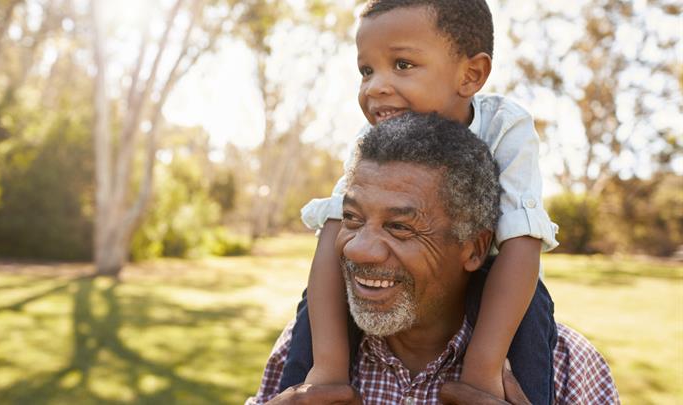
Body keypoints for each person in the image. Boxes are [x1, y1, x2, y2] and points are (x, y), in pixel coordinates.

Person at [281, 1, 560, 403]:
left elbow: (521, 239)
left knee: (531, 303)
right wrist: (326, 366)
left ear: (471, 74)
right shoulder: (369, 141)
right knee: (317, 298)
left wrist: (482, 374)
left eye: (403, 65)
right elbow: (334, 230)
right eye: (366, 70)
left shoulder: (504, 125)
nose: (374, 86)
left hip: (495, 278)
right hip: (397, 290)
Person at [248, 113, 619, 405]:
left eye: (399, 227)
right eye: (351, 218)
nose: (357, 249)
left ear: (474, 248)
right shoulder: (305, 349)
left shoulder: (567, 367)